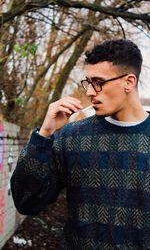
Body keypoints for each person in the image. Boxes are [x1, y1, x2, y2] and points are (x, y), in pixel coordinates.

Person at [11, 39, 150, 250]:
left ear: (129, 82)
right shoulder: (72, 136)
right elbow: (25, 201)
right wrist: (44, 135)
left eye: (98, 82)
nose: (90, 92)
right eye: (88, 82)